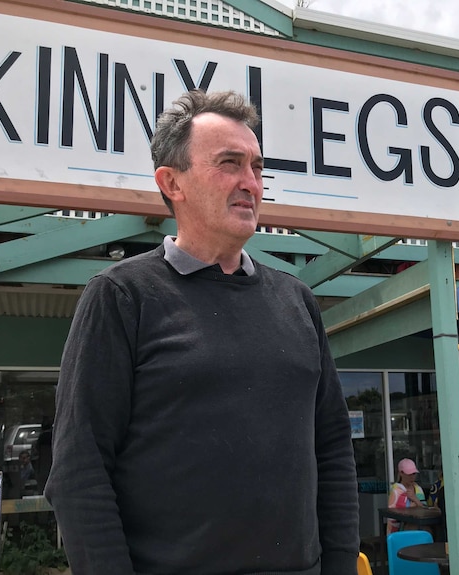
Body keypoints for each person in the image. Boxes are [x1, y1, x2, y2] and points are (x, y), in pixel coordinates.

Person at [44, 90, 359, 575]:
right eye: (229, 163)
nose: (250, 182)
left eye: (256, 167)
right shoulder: (121, 296)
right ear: (172, 182)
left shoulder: (297, 300)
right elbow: (78, 470)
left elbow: (333, 448)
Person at [387, 458, 427, 533]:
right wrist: (417, 504)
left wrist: (415, 499)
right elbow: (400, 512)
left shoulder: (418, 488)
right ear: (401, 473)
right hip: (399, 530)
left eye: (414, 474)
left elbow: (425, 510)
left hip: (418, 524)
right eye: (409, 474)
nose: (412, 477)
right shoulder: (396, 490)